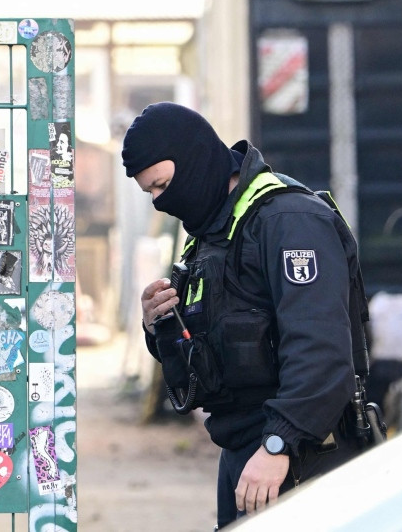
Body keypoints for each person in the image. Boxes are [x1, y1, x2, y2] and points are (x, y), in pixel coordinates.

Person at [122, 103, 373, 528]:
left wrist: (279, 444)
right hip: (246, 456)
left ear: (195, 158)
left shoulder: (291, 221)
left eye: (162, 184)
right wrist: (159, 324)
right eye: (151, 193)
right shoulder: (213, 234)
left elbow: (322, 352)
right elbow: (204, 360)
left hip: (302, 456)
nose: (161, 201)